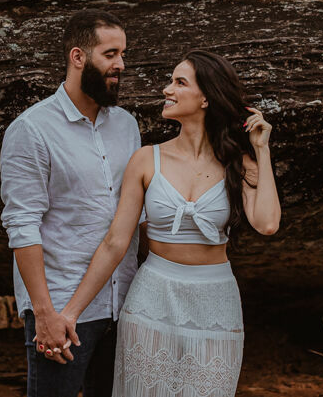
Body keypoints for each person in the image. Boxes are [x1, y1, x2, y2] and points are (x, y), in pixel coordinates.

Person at [54, 49, 281, 396]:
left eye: (179, 82)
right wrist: (70, 314)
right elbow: (116, 242)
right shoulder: (146, 159)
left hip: (215, 302)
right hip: (152, 298)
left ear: (205, 97)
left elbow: (266, 224)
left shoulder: (239, 161)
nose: (166, 89)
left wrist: (261, 150)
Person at [0, 9, 142, 397]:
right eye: (110, 54)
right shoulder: (31, 130)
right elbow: (22, 225)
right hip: (62, 314)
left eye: (123, 54)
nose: (121, 65)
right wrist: (44, 315)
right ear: (78, 57)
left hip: (123, 307)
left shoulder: (127, 126)